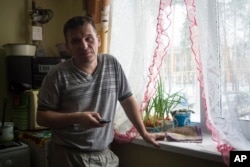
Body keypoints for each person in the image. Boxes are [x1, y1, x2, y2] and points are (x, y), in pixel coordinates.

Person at [36, 15, 165, 167]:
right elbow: (42, 117)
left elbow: (127, 99)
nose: (84, 46)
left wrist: (144, 133)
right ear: (68, 46)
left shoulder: (112, 64)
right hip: (69, 157)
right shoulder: (56, 75)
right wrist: (78, 117)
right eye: (76, 41)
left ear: (99, 40)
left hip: (105, 155)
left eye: (89, 38)